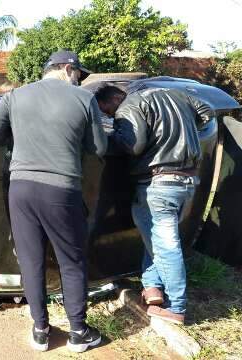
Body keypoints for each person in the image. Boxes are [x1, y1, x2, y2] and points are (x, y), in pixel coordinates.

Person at [0, 50, 107, 353]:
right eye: (78, 74)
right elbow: (99, 148)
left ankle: (40, 330)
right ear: (66, 68)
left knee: (31, 261)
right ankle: (78, 332)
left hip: (20, 189)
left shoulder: (16, 95)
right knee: (72, 262)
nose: (79, 80)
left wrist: (16, 135)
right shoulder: (84, 99)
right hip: (61, 190)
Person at [94, 85, 212, 325]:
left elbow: (133, 144)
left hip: (158, 183)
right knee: (156, 237)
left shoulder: (129, 105)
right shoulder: (176, 93)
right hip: (187, 179)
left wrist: (113, 134)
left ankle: (176, 306)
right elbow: (207, 111)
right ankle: (152, 288)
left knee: (165, 246)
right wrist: (184, 131)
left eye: (107, 111)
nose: (110, 117)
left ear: (115, 98)